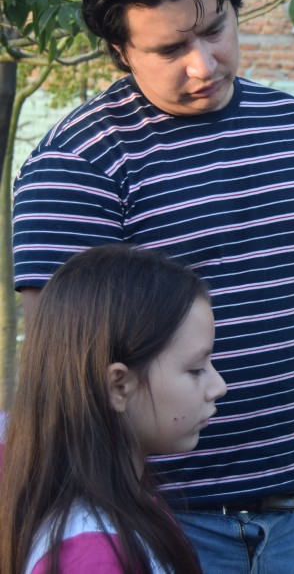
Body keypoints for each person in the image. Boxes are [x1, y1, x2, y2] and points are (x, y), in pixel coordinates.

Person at [10, 0, 294, 573]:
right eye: (170, 48)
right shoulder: (78, 165)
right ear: (119, 50)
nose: (203, 64)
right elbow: (67, 384)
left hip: (293, 518)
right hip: (148, 528)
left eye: (215, 29)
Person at [0, 244, 227, 573]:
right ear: (119, 386)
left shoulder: (127, 500)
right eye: (196, 369)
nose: (219, 387)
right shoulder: (93, 556)